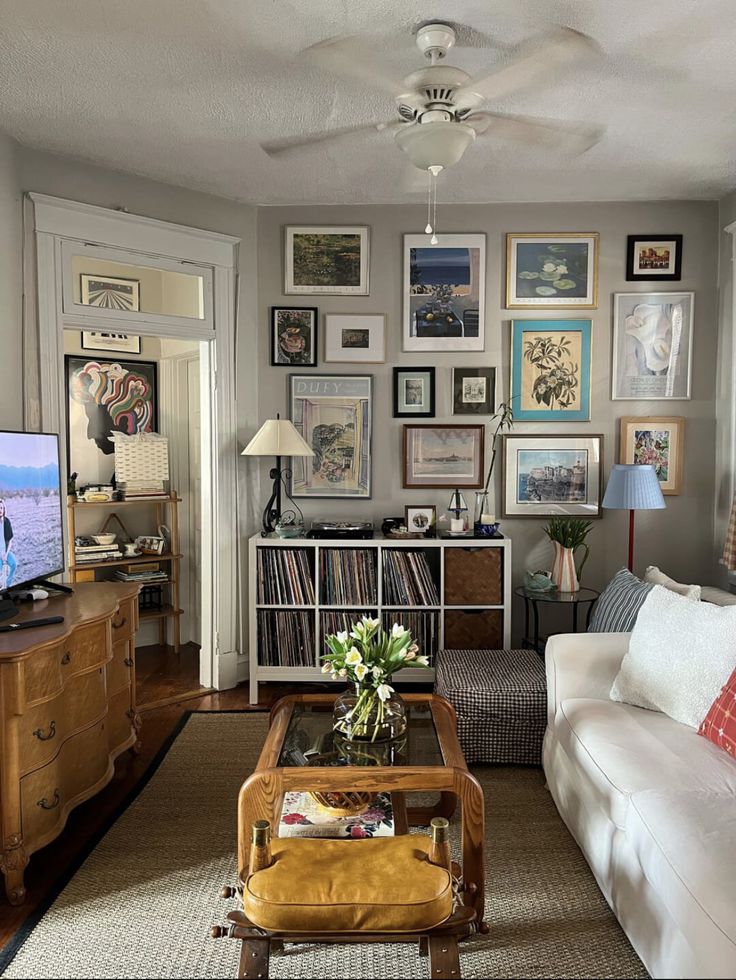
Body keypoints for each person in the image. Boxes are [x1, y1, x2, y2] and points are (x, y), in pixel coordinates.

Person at [0, 499, 15, 588]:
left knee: (14, 564)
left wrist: (6, 554)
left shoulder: (6, 521)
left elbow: (10, 540)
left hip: (5, 551)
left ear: (4, 509)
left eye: (1, 508)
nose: (0, 510)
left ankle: (8, 585)